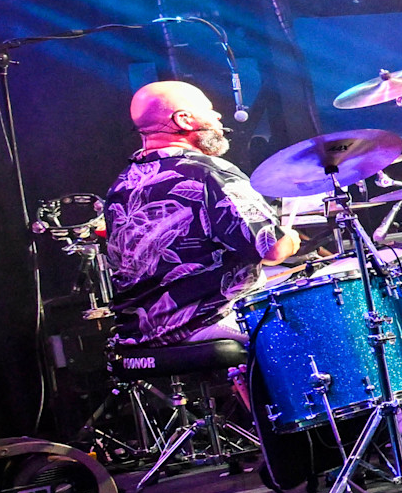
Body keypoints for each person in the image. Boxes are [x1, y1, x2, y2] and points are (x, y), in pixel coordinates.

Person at [103, 80, 298, 349]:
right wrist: (290, 239)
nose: (218, 116)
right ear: (183, 119)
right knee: (314, 329)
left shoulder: (122, 184)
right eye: (208, 109)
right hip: (201, 321)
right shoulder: (207, 171)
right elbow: (273, 250)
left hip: (140, 332)